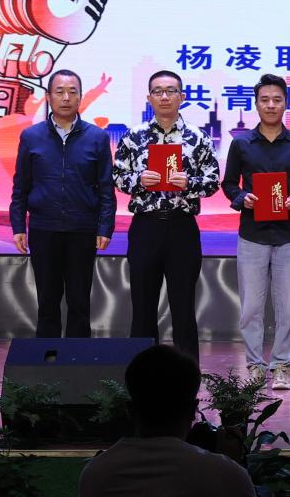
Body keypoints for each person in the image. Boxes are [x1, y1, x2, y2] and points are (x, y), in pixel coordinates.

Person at [113, 70, 219, 363]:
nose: (164, 97)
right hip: (146, 227)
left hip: (181, 227)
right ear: (149, 98)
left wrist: (190, 183)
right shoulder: (134, 136)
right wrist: (138, 180)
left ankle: (188, 376)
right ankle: (142, 374)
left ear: (181, 97)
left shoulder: (198, 137)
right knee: (143, 306)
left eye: (171, 91)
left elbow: (212, 182)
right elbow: (117, 176)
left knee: (183, 306)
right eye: (158, 91)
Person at [221, 74, 290, 390]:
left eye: (277, 99)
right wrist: (241, 198)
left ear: (286, 103)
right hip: (252, 234)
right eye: (265, 100)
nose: (271, 105)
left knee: (287, 307)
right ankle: (254, 364)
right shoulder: (241, 144)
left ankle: (281, 365)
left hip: (288, 235)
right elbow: (229, 183)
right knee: (251, 307)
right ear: (257, 103)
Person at [10, 69, 117, 338]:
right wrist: (18, 226)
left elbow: (106, 187)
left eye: (72, 92)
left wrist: (105, 227)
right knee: (47, 301)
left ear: (80, 97)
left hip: (82, 229)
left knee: (80, 301)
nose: (66, 98)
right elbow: (21, 185)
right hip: (43, 229)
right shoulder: (31, 136)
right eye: (59, 92)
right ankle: (47, 360)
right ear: (48, 96)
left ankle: (78, 358)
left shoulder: (97, 137)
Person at [78, 344, 256, 497]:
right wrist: (232, 465)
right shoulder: (227, 476)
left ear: (129, 410)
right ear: (193, 410)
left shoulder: (97, 474)